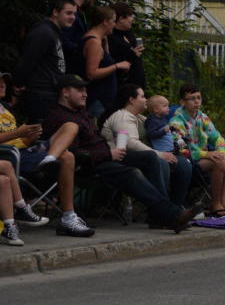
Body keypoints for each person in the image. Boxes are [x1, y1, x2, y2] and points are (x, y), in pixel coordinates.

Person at [43, 75, 204, 235]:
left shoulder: (80, 112)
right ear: (65, 92)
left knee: (151, 158)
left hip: (106, 154)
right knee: (132, 172)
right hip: (90, 164)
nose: (85, 94)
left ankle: (162, 214)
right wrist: (107, 154)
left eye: (85, 90)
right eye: (80, 90)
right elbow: (74, 154)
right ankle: (171, 215)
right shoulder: (59, 117)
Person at [0, 72, 77, 228]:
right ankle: (68, 217)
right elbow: (12, 138)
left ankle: (48, 158)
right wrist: (18, 133)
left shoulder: (4, 108)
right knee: (66, 157)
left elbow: (17, 139)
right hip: (11, 156)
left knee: (70, 127)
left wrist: (29, 136)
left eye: (3, 82)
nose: (2, 84)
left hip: (23, 150)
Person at [101, 84, 192, 206]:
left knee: (184, 164)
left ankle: (177, 206)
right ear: (131, 99)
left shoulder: (140, 118)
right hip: (123, 159)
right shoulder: (122, 117)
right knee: (161, 162)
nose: (146, 99)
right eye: (143, 96)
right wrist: (160, 154)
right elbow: (130, 143)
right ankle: (162, 210)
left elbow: (160, 129)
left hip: (145, 157)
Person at [170, 84, 225, 216]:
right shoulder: (176, 122)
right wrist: (208, 154)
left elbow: (218, 138)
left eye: (199, 97)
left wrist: (221, 152)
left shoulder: (203, 117)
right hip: (190, 161)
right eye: (192, 98)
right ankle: (215, 204)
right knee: (218, 162)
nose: (197, 101)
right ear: (182, 102)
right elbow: (183, 150)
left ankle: (224, 200)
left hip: (206, 157)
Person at [14, 0, 76, 123]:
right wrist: (18, 84)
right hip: (40, 94)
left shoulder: (54, 32)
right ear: (55, 12)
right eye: (68, 13)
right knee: (39, 135)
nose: (72, 17)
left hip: (49, 93)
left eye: (74, 14)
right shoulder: (43, 32)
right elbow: (28, 61)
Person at [82, 5, 130, 118]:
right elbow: (91, 73)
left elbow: (102, 61)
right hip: (97, 98)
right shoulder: (93, 42)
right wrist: (117, 66)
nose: (114, 24)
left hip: (103, 98)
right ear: (105, 22)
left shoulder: (100, 40)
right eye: (113, 21)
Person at [61, 0, 100, 77]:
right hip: (67, 73)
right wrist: (85, 50)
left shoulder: (80, 12)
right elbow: (62, 40)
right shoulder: (66, 11)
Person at [109, 2, 147, 89]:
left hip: (137, 84)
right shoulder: (112, 38)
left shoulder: (128, 33)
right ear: (121, 18)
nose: (132, 19)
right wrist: (133, 55)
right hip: (124, 86)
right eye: (130, 16)